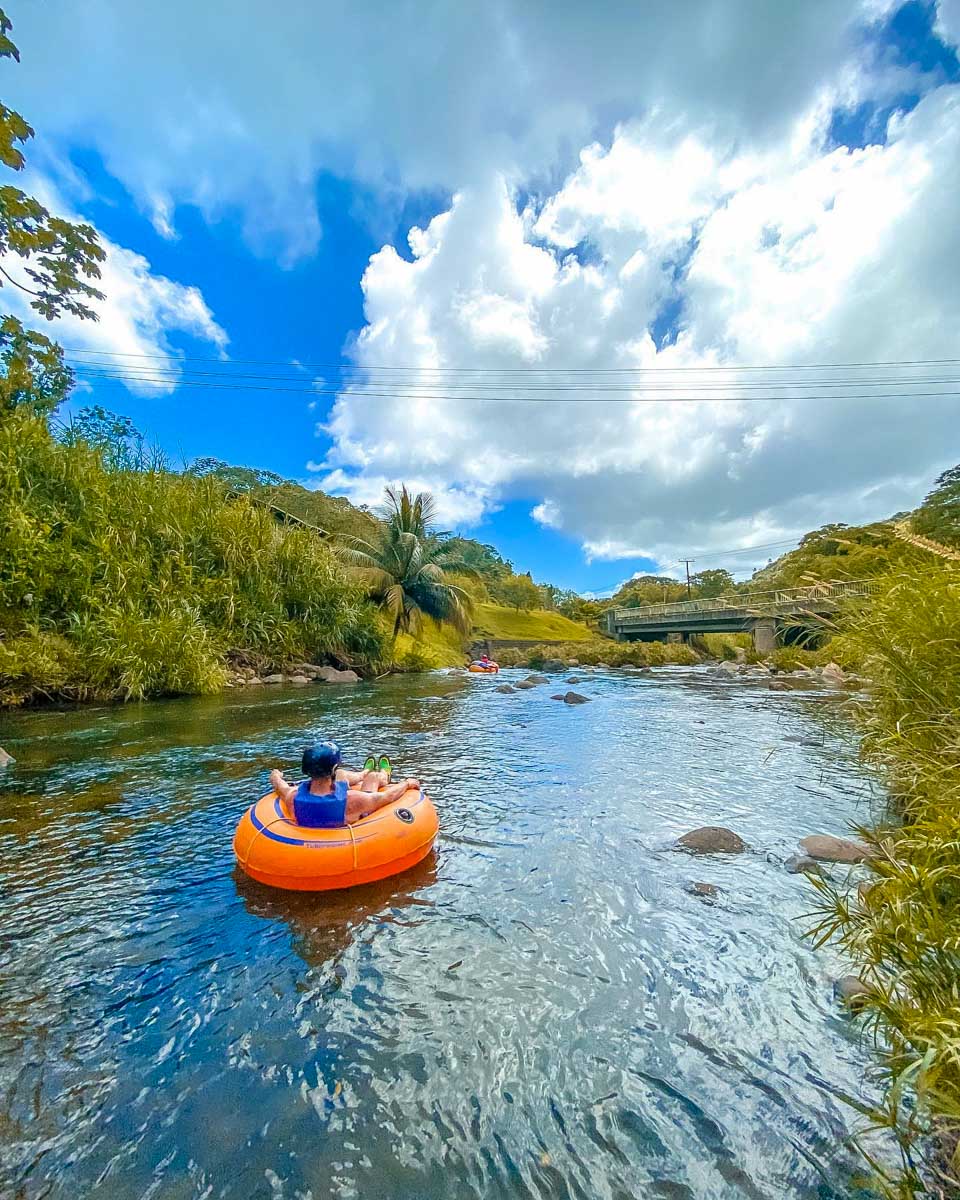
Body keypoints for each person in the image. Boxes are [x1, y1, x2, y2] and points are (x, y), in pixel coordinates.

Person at [269, 741, 420, 828]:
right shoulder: (351, 799)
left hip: (323, 811)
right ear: (332, 768)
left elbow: (278, 784)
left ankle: (363, 773)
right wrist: (407, 783)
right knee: (374, 778)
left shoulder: (292, 796)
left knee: (342, 776)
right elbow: (388, 796)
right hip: (355, 815)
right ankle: (381, 774)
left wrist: (276, 775)